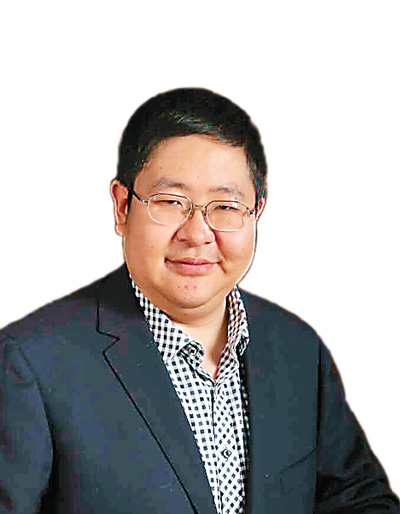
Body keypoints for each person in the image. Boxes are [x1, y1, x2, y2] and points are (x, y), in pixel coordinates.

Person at [0, 88, 398, 514]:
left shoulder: (298, 348)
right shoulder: (30, 364)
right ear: (122, 206)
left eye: (226, 206)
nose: (197, 233)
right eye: (170, 202)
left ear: (256, 212)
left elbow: (360, 500)